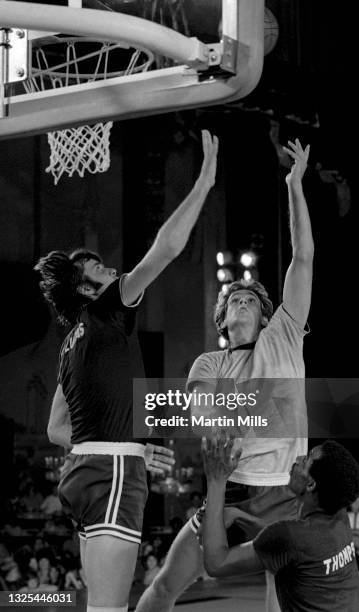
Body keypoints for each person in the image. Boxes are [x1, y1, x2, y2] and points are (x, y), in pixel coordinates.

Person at [34, 130, 218, 612]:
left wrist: (122, 444)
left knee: (99, 606)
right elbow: (167, 249)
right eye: (101, 269)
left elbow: (56, 429)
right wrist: (203, 183)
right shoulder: (109, 308)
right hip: (113, 471)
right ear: (90, 290)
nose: (115, 271)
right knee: (111, 610)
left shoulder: (69, 345)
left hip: (84, 473)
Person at [135, 138, 313, 612]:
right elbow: (206, 417)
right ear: (222, 317)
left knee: (285, 597)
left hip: (282, 489)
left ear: (265, 313)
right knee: (166, 584)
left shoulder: (285, 333)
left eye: (251, 298)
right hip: (230, 486)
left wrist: (294, 185)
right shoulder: (208, 364)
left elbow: (303, 258)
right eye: (234, 298)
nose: (242, 300)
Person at [202, 436, 359, 612]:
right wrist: (240, 516)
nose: (298, 458)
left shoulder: (292, 536)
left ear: (310, 484)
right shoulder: (339, 517)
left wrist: (216, 480)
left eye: (306, 459)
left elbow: (216, 563)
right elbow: (287, 544)